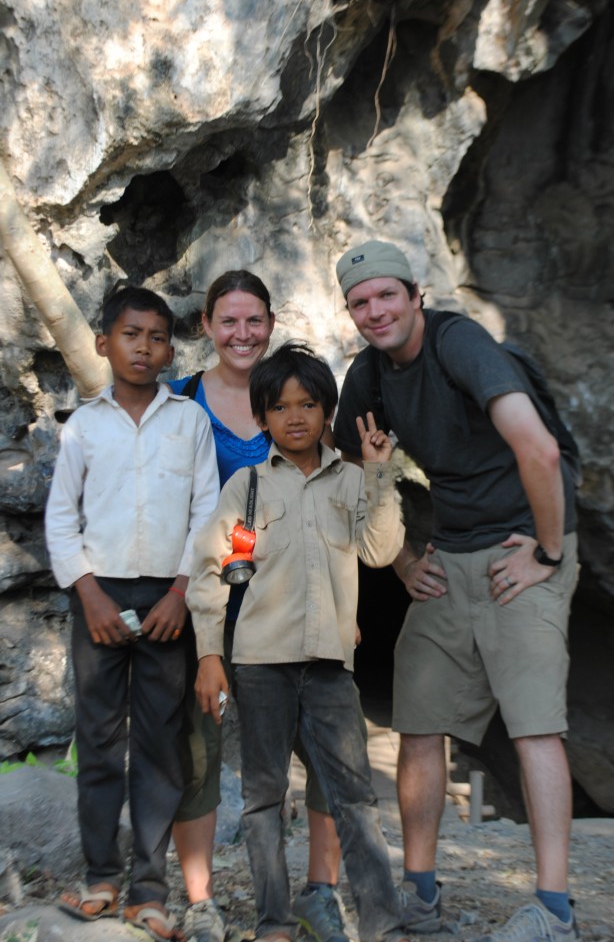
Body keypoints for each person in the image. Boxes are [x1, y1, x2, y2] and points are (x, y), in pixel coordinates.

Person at [333, 241, 581, 942]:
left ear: (415, 296)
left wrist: (548, 550)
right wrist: (404, 559)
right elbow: (350, 470)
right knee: (418, 719)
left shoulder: (460, 344)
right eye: (359, 302)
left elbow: (538, 449)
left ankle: (552, 910)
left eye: (386, 295)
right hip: (451, 552)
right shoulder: (370, 375)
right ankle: (419, 895)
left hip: (519, 547)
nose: (374, 311)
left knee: (534, 724)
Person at [186, 341, 408, 942]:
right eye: (280, 407)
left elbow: (380, 551)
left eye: (308, 404)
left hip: (332, 667)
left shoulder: (351, 483)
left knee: (355, 798)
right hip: (261, 666)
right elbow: (209, 573)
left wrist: (381, 471)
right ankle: (274, 921)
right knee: (264, 800)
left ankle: (384, 922)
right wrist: (211, 654)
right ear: (261, 419)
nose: (294, 417)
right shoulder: (248, 491)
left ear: (326, 411)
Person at [168, 272, 356, 942]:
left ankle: (320, 891)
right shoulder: (181, 401)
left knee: (328, 755)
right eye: (228, 321)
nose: (241, 334)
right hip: (212, 602)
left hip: (295, 607)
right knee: (202, 751)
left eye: (254, 321)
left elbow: (337, 506)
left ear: (270, 324)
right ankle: (201, 901)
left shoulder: (297, 396)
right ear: (206, 327)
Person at [45, 286, 220, 942]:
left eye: (155, 336)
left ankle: (150, 888)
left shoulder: (189, 422)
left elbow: (207, 514)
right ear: (102, 344)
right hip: (97, 595)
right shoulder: (83, 427)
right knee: (97, 742)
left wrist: (180, 593)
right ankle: (101, 878)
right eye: (130, 334)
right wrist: (89, 596)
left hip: (168, 601)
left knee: (160, 744)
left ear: (171, 348)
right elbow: (62, 519)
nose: (143, 347)